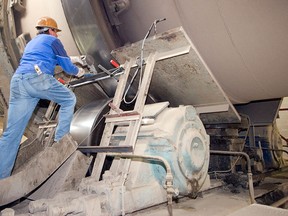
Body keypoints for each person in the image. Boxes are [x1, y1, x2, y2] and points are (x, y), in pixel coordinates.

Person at [0, 16, 85, 179]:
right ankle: (61, 142)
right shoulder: (53, 41)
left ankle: (1, 178)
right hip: (37, 79)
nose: (58, 35)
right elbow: (67, 67)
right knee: (68, 99)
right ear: (50, 30)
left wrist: (73, 59)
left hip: (18, 82)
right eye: (56, 32)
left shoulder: (32, 43)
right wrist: (79, 71)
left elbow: (46, 59)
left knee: (12, 134)